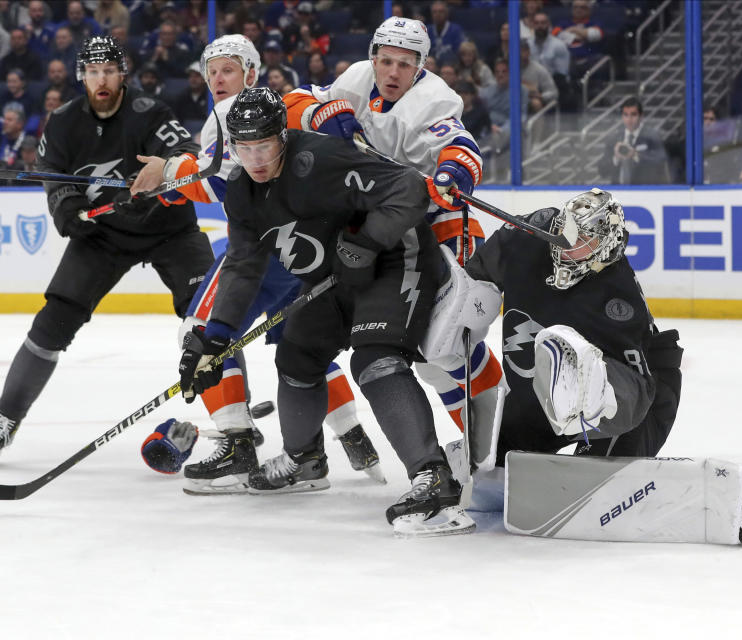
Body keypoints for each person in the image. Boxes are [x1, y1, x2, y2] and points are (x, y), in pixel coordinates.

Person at [180, 87, 473, 536]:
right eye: (244, 147)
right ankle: (305, 461)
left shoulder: (321, 158)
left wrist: (369, 240)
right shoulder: (240, 190)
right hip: (335, 274)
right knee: (296, 353)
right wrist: (215, 336)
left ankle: (433, 478)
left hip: (395, 257)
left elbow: (409, 188)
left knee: (375, 359)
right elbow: (242, 264)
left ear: (282, 135)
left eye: (264, 145)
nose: (255, 158)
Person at [453, 188, 742, 545]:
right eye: (565, 231)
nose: (567, 247)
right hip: (535, 400)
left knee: (596, 485)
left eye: (582, 241)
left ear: (605, 246)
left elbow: (635, 395)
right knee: (488, 471)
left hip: (632, 400)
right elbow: (477, 273)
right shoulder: (529, 240)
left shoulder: (617, 298)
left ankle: (737, 501)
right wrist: (470, 295)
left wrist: (599, 447)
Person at [128, 35, 383, 494]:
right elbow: (218, 173)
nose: (217, 80)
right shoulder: (248, 112)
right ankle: (350, 436)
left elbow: (226, 187)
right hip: (304, 249)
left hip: (265, 248)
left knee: (200, 329)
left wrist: (169, 174)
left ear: (251, 73)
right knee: (298, 342)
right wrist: (167, 178)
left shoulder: (249, 112)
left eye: (227, 69)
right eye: (210, 73)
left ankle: (236, 446)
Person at [0, 35, 214, 468]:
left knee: (210, 324)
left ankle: (237, 427)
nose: (102, 80)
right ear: (83, 76)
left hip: (169, 230)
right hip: (102, 235)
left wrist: (165, 168)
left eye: (109, 71)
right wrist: (69, 210)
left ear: (123, 74)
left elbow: (187, 151)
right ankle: (6, 420)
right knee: (51, 323)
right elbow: (53, 175)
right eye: (93, 72)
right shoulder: (62, 121)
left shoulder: (149, 111)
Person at [283, 16, 507, 457]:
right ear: (373, 57)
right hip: (390, 236)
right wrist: (319, 111)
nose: (392, 73)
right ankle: (489, 447)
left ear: (420, 66)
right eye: (386, 61)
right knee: (426, 354)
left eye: (405, 64)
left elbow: (462, 150)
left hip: (440, 228)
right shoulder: (356, 78)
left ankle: (498, 441)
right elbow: (295, 101)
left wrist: (452, 173)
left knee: (443, 347)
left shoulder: (433, 99)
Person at [597, 97, 668, 185]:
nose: (629, 119)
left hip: (644, 191)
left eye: (633, 114)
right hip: (618, 191)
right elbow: (602, 171)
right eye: (626, 115)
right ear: (622, 117)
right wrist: (616, 158)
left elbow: (661, 160)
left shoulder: (651, 136)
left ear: (641, 116)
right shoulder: (614, 138)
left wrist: (635, 155)